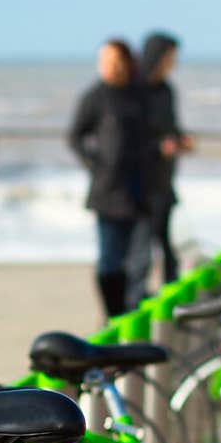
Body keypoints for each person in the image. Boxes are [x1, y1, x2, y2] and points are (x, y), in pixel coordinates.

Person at [67, 38, 147, 319]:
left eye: (115, 61)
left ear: (127, 63)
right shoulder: (95, 96)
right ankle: (112, 316)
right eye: (104, 61)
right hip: (107, 192)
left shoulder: (139, 94)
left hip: (140, 191)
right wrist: (95, 165)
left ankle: (132, 314)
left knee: (140, 263)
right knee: (109, 262)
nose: (109, 67)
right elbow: (75, 136)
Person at [126, 32, 194, 305]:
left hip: (164, 181)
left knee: (168, 248)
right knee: (140, 252)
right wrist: (157, 148)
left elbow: (171, 128)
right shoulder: (133, 91)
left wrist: (181, 141)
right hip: (139, 184)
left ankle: (170, 305)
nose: (173, 62)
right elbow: (126, 138)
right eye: (170, 57)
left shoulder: (166, 90)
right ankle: (133, 305)